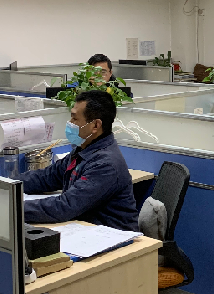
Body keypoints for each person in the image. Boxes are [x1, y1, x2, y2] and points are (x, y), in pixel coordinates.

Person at [21, 90, 138, 231]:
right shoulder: (84, 149)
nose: (70, 123)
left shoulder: (106, 164)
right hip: (86, 228)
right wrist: (8, 185)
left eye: (74, 119)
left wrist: (13, 208)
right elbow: (47, 177)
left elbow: (65, 206)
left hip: (113, 236)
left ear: (95, 126)